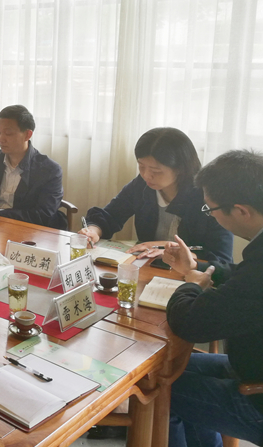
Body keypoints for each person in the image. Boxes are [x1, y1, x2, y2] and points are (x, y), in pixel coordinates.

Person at [163, 150, 263, 447]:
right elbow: (242, 277)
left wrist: (191, 284)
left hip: (256, 395)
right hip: (249, 365)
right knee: (167, 366)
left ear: (241, 211)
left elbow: (190, 322)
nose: (211, 215)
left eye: (211, 209)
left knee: (158, 385)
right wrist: (198, 268)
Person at [80, 127, 233, 265]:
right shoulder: (142, 185)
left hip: (193, 274)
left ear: (180, 168)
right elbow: (110, 215)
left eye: (156, 171)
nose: (146, 175)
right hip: (149, 265)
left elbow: (222, 258)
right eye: (141, 166)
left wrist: (174, 251)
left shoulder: (209, 197)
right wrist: (93, 231)